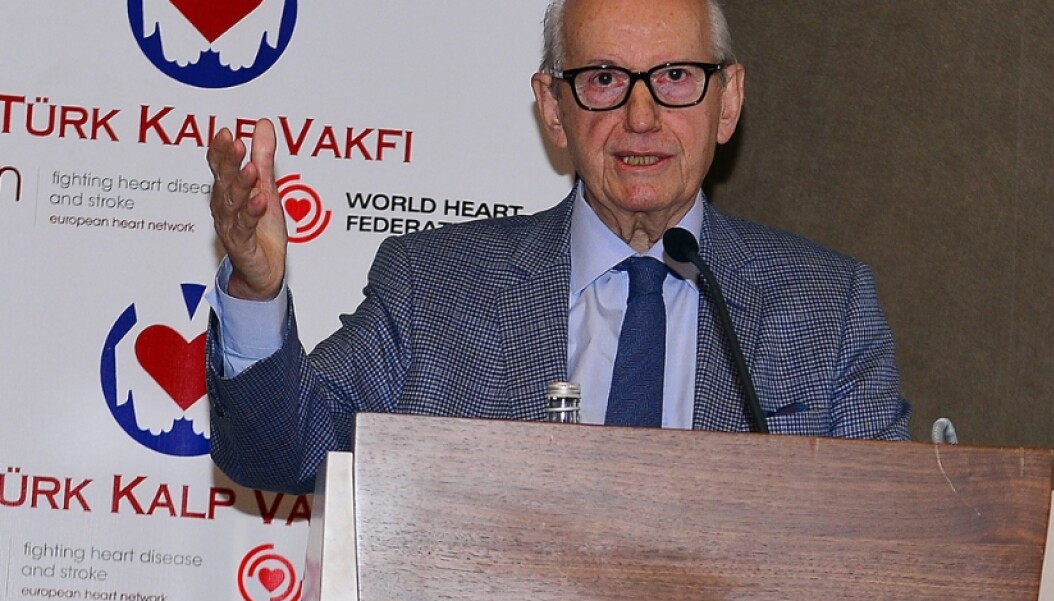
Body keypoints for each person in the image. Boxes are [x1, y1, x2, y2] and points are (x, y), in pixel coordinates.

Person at [205, 0, 911, 495]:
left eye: (674, 77)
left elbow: (889, 537)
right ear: (552, 107)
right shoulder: (437, 288)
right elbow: (283, 454)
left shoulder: (826, 306)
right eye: (604, 79)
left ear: (726, 102)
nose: (641, 117)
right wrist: (256, 294)